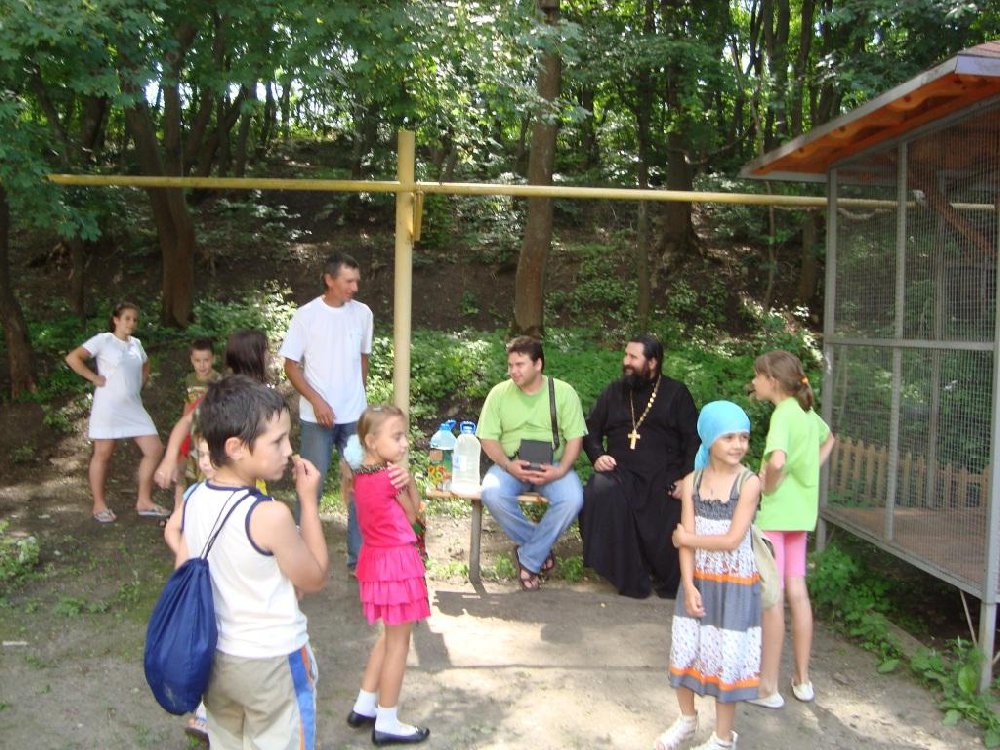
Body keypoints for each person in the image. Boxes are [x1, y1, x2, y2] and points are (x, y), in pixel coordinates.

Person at [173, 375, 328, 750]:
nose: (288, 450)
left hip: (217, 662)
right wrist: (308, 502)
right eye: (277, 441)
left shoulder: (194, 500)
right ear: (236, 447)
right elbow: (315, 578)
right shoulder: (269, 515)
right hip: (273, 662)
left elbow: (184, 570)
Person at [655, 401, 762, 750]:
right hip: (699, 579)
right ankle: (687, 720)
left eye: (743, 437)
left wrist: (686, 538)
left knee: (727, 660)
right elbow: (685, 541)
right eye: (728, 437)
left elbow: (731, 540)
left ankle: (723, 738)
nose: (738, 444)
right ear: (709, 438)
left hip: (735, 585)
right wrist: (688, 584)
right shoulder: (692, 482)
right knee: (685, 649)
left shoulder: (749, 483)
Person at [746, 350, 835, 710]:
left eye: (757, 376)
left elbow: (777, 461)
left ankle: (768, 687)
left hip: (777, 516)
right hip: (801, 515)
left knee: (772, 599)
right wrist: (809, 468)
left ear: (772, 381)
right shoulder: (805, 412)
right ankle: (802, 679)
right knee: (797, 593)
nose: (753, 382)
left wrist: (768, 485)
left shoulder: (783, 415)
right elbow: (830, 439)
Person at [580, 334, 699, 598]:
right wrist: (597, 455)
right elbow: (590, 429)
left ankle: (666, 576)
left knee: (675, 505)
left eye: (633, 357)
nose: (626, 361)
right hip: (621, 472)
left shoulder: (675, 393)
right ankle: (627, 575)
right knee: (600, 490)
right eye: (626, 355)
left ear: (652, 362)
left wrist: (686, 479)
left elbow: (693, 439)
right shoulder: (614, 391)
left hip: (664, 474)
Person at [280, 252, 373, 570]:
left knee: (360, 486)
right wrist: (317, 401)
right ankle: (300, 558)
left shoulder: (363, 314)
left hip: (355, 417)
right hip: (315, 418)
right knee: (311, 486)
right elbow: (290, 366)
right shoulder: (306, 316)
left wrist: (358, 396)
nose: (355, 288)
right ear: (329, 280)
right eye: (348, 281)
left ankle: (358, 560)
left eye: (357, 281)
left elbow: (363, 358)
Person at [347, 405, 430, 746]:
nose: (404, 443)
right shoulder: (390, 477)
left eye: (404, 436)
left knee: (389, 635)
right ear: (371, 441)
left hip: (376, 562)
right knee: (399, 644)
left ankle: (364, 704)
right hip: (397, 564)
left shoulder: (360, 475)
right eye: (396, 437)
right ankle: (387, 720)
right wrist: (410, 484)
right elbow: (414, 516)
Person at [477, 336, 587, 591]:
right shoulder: (499, 394)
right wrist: (507, 465)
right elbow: (487, 438)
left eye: (520, 365)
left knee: (572, 499)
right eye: (510, 365)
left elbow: (575, 439)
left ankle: (528, 557)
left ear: (538, 364)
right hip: (511, 465)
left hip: (553, 466)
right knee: (491, 493)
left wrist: (560, 470)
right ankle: (538, 552)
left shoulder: (563, 392)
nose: (513, 371)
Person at [64, 301, 167, 523]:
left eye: (135, 319)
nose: (131, 323)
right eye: (127, 318)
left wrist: (140, 383)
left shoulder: (136, 344)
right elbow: (73, 358)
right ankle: (99, 505)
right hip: (108, 406)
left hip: (133, 406)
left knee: (155, 449)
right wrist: (93, 377)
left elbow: (146, 364)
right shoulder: (104, 340)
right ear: (116, 320)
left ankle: (144, 501)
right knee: (103, 453)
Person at [154, 330, 271, 493]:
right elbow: (187, 421)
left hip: (247, 477)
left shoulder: (261, 394)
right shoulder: (226, 393)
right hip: (222, 477)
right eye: (265, 350)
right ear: (252, 357)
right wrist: (169, 459)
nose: (269, 355)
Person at [172, 338, 221, 509]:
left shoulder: (218, 380)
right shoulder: (189, 379)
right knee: (182, 471)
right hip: (191, 431)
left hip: (208, 433)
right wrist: (184, 429)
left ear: (213, 359)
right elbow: (187, 404)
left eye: (206, 360)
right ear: (191, 360)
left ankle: (203, 508)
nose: (202, 365)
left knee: (206, 471)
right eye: (197, 360)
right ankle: (178, 510)